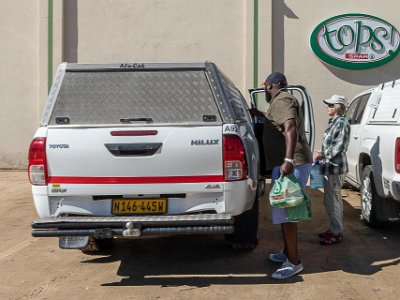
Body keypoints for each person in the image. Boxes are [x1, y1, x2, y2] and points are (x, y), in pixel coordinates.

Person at [250, 72, 312, 279]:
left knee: (287, 213)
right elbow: (278, 124)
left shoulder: (284, 99)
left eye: (266, 86)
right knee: (283, 211)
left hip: (290, 164)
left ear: (272, 86)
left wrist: (288, 160)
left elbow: (290, 127)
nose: (266, 90)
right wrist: (260, 115)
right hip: (285, 163)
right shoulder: (278, 101)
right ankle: (287, 252)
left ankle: (294, 262)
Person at [314, 95, 350, 245]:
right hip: (329, 167)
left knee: (334, 201)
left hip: (335, 168)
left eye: (330, 104)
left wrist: (323, 154)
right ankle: (334, 228)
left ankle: (336, 232)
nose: (327, 107)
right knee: (330, 200)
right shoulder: (334, 122)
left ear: (337, 106)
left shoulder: (341, 122)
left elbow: (339, 146)